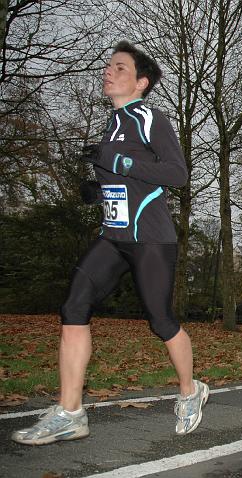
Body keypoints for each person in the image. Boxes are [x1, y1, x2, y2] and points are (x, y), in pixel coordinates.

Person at [12, 41, 208, 445]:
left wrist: (119, 162)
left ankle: (191, 391)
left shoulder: (150, 118)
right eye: (108, 66)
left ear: (141, 82)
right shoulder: (112, 123)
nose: (108, 71)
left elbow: (177, 174)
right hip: (113, 236)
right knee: (74, 306)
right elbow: (128, 183)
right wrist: (98, 191)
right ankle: (70, 413)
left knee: (161, 321)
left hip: (150, 238)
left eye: (120, 68)